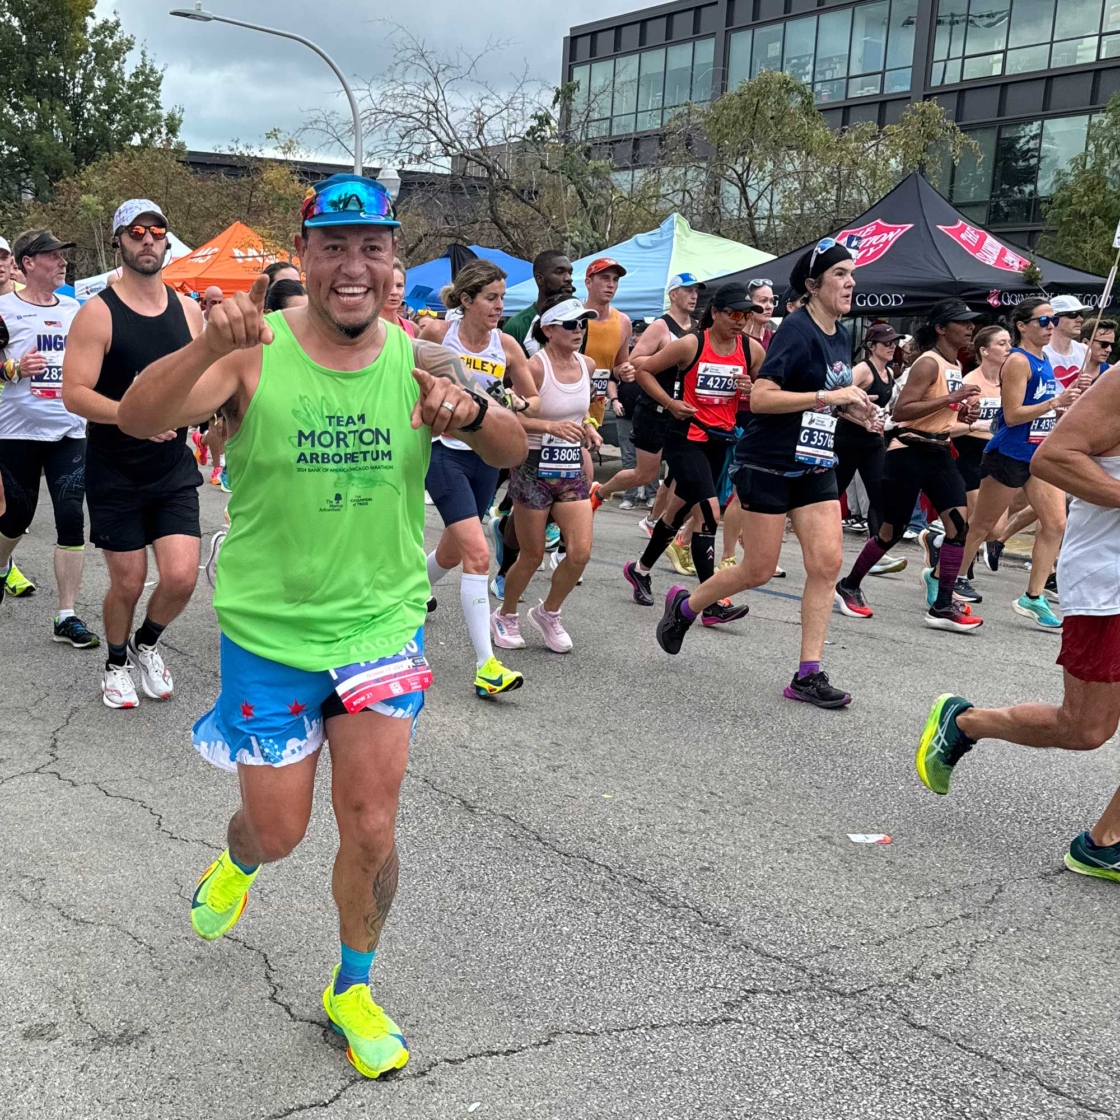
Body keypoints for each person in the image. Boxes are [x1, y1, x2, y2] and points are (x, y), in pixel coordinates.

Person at [115, 172, 526, 1078]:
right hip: (269, 636)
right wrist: (200, 351)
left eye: (372, 247)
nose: (353, 265)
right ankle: (238, 863)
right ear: (304, 257)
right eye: (333, 247)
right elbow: (141, 419)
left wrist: (474, 409)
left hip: (380, 628)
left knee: (372, 826)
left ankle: (353, 985)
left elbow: (514, 448)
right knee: (279, 832)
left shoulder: (420, 359)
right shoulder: (252, 353)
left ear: (394, 265)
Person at [916, 367, 1120, 882]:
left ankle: (1104, 844)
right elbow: (1053, 456)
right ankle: (964, 722)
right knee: (1085, 728)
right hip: (1110, 583)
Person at [653, 239, 873, 708]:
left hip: (815, 463)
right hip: (769, 462)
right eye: (840, 274)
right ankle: (685, 607)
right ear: (813, 286)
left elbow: (827, 397)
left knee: (827, 564)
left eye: (852, 273)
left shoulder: (840, 334)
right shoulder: (795, 329)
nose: (850, 281)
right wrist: (828, 398)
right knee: (758, 569)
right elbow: (763, 398)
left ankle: (808, 674)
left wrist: (855, 410)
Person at [63, 198, 206, 708]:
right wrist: (134, 416)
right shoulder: (97, 313)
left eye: (157, 231)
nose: (148, 239)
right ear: (120, 240)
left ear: (167, 239)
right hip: (115, 471)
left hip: (172, 469)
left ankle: (146, 645)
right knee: (128, 581)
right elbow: (74, 393)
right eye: (136, 232)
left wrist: (211, 419)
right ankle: (116, 661)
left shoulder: (188, 310)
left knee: (182, 577)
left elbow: (203, 379)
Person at [417, 259, 539, 697]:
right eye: (491, 298)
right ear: (466, 300)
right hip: (441, 452)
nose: (499, 307)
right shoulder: (435, 335)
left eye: (503, 298)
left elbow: (531, 395)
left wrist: (509, 401)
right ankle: (487, 665)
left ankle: (413, 593)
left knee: (451, 551)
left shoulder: (505, 345)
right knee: (477, 554)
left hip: (485, 458)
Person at [835, 299, 983, 632]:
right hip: (909, 451)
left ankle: (943, 603)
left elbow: (938, 409)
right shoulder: (928, 363)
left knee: (958, 528)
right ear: (942, 328)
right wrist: (950, 400)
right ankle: (849, 584)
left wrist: (961, 413)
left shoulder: (953, 364)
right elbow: (902, 411)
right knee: (890, 532)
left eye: (972, 322)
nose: (970, 327)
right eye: (963, 322)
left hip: (940, 452)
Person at [621, 283, 763, 627]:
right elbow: (642, 370)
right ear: (714, 313)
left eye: (746, 315)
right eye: (733, 314)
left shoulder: (752, 350)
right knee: (709, 514)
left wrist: (751, 388)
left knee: (676, 512)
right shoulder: (691, 344)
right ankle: (710, 603)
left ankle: (639, 570)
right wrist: (670, 404)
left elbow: (765, 393)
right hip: (684, 437)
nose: (740, 321)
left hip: (719, 440)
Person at [950, 298, 1079, 629]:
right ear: (1022, 326)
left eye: (1054, 320)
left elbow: (1046, 409)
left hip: (1038, 455)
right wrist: (1055, 402)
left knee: (1055, 522)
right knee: (983, 525)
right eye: (1043, 321)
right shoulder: (1019, 362)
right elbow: (1013, 415)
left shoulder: (1044, 358)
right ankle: (948, 576)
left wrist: (1067, 405)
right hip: (1008, 453)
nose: (1051, 326)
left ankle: (1032, 596)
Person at [0, 228, 99, 646]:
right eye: (53, 256)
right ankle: (3, 566)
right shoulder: (3, 309)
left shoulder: (75, 309)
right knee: (15, 519)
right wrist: (14, 369)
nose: (62, 262)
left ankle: (66, 615)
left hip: (67, 431)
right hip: (16, 433)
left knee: (71, 518)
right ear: (27, 263)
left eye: (63, 255)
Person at [491, 298, 598, 653]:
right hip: (533, 467)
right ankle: (505, 614)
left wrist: (590, 429)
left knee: (580, 553)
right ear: (549, 330)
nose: (578, 331)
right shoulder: (535, 367)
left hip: (570, 469)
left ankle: (549, 612)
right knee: (532, 554)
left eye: (583, 324)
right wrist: (549, 425)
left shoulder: (588, 364)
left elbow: (579, 414)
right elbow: (511, 416)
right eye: (570, 325)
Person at [590, 273, 701, 522]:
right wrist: (669, 358)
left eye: (696, 291)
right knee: (644, 474)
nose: (694, 296)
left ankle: (655, 520)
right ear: (673, 295)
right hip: (654, 409)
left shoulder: (697, 328)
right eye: (688, 290)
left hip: (682, 411)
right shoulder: (661, 326)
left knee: (682, 472)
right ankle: (600, 491)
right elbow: (635, 361)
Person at [834, 322, 903, 575]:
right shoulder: (863, 370)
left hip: (873, 440)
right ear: (871, 346)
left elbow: (884, 407)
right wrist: (860, 418)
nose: (892, 347)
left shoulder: (891, 373)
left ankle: (876, 551)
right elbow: (837, 398)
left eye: (894, 343)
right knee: (833, 493)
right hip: (847, 438)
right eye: (886, 343)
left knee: (880, 492)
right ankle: (823, 544)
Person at [947, 324, 1007, 601]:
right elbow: (948, 426)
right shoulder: (970, 383)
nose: (1009, 349)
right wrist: (977, 425)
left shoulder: (1009, 381)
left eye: (1009, 343)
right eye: (1002, 343)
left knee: (996, 529)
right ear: (985, 351)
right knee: (976, 522)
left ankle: (940, 544)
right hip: (968, 454)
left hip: (996, 455)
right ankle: (955, 575)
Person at [502, 250, 575, 355]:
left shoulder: (578, 323)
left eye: (570, 273)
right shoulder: (517, 326)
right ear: (540, 279)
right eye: (560, 272)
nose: (568, 278)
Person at [1044, 295, 1091, 388]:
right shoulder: (1041, 352)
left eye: (1081, 314)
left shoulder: (1085, 350)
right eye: (1073, 315)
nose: (1080, 319)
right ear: (1054, 319)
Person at [380, 258, 416, 338]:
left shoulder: (412, 328)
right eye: (387, 285)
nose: (394, 292)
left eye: (399, 286)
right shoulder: (364, 330)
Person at [1080, 317, 1116, 384]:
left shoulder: (1112, 374)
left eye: (1112, 345)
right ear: (1085, 343)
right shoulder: (1069, 372)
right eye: (1104, 344)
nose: (1109, 350)